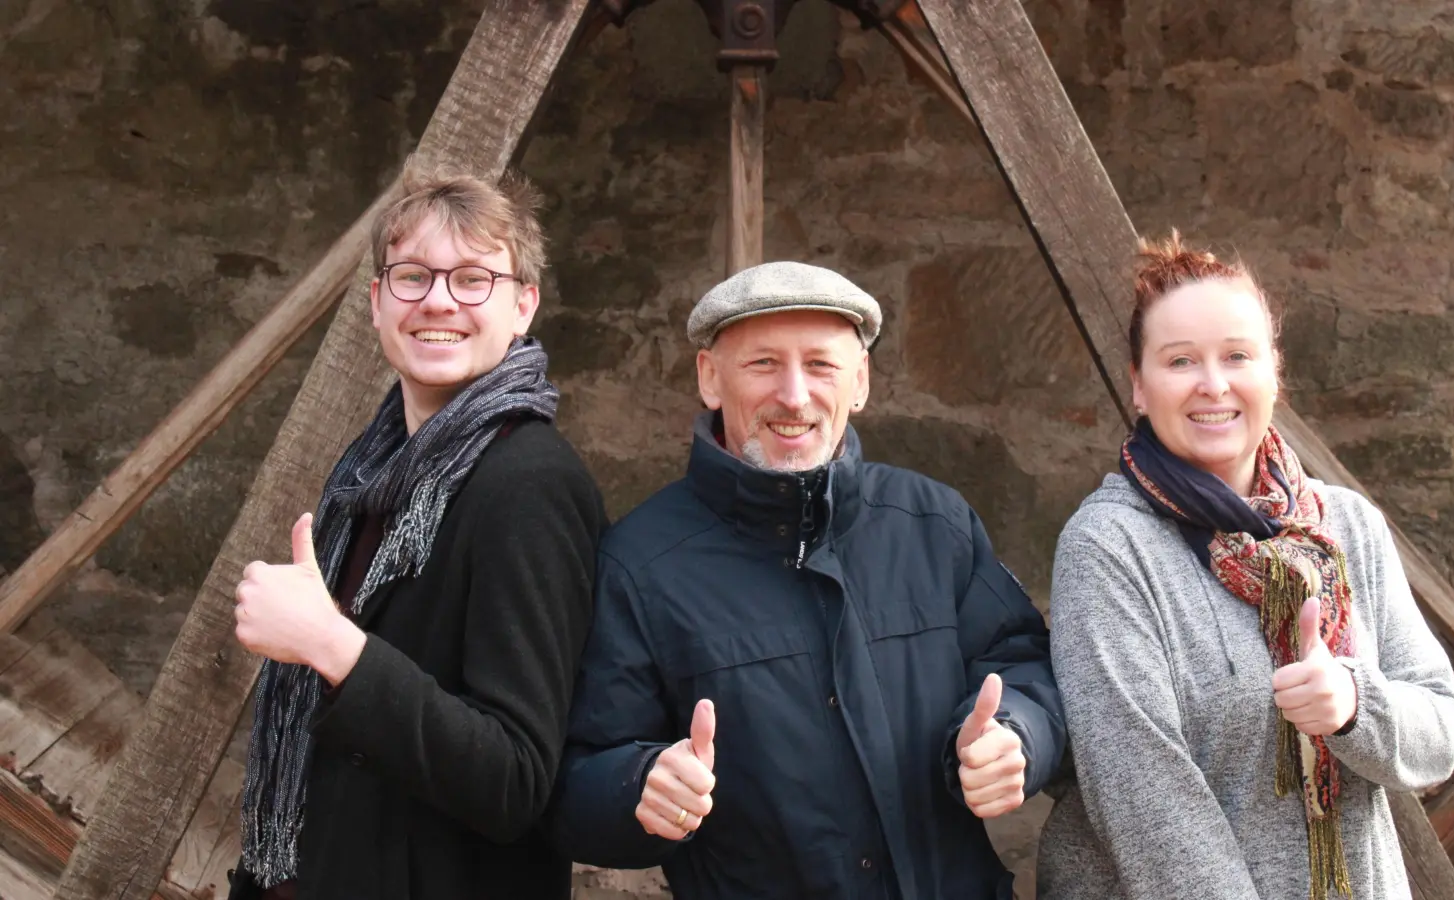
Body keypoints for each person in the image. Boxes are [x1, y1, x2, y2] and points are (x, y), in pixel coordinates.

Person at [550, 261, 1065, 898]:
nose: (794, 396)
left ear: (860, 382)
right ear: (710, 378)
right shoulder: (638, 564)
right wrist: (640, 787)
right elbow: (576, 781)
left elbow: (1022, 664)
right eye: (763, 364)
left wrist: (1017, 735)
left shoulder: (935, 523)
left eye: (820, 365)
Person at [1035, 233, 1454, 900]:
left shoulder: (1346, 524)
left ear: (1274, 371)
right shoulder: (1108, 547)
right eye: (1180, 361)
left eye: (1237, 355)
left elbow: (1442, 732)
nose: (1214, 384)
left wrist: (1355, 703)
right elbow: (1147, 804)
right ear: (1139, 387)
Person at [226, 168, 607, 900]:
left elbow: (514, 778)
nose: (438, 300)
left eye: (473, 279)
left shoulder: (529, 484)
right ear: (376, 303)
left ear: (523, 304)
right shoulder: (373, 469)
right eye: (412, 277)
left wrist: (330, 644)